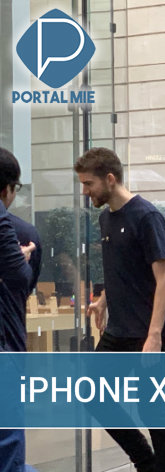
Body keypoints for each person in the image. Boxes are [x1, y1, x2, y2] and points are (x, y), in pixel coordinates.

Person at [76, 147, 165, 472]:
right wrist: (103, 300)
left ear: (110, 178)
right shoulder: (106, 217)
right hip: (120, 328)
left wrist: (154, 336)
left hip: (148, 329)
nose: (85, 191)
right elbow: (126, 268)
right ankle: (145, 461)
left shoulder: (147, 216)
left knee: (151, 406)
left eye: (89, 183)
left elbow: (164, 279)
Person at [0, 147, 36, 472]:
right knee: (9, 447)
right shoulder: (17, 231)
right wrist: (20, 259)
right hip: (5, 347)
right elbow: (22, 280)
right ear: (7, 189)